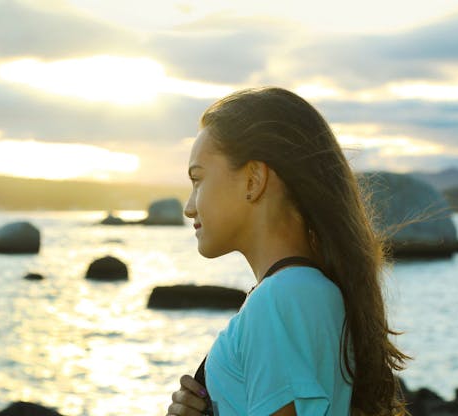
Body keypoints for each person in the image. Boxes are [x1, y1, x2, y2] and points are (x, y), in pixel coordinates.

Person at [166, 87, 410, 416]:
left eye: (198, 179)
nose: (189, 208)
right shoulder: (309, 293)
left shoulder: (282, 300)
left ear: (253, 180)